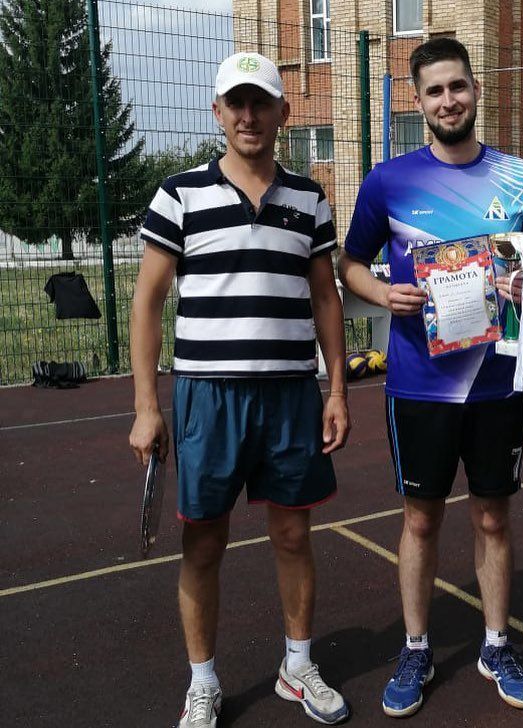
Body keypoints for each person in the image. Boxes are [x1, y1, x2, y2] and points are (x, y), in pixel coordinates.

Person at [338, 37, 523, 718]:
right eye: (434, 91)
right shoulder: (387, 181)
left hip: (497, 383)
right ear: (417, 101)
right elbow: (348, 264)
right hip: (418, 384)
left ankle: (496, 643)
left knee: (493, 516)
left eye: (457, 87)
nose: (447, 100)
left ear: (475, 89)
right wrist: (382, 296)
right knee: (420, 518)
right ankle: (415, 646)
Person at [128, 52, 350, 728]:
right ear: (217, 111)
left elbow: (325, 299)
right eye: (237, 103)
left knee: (293, 535)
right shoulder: (179, 193)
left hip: (289, 397)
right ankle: (202, 682)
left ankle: (298, 665)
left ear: (284, 113)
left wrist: (336, 389)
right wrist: (144, 405)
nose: (249, 115)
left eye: (262, 103)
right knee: (203, 545)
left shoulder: (309, 198)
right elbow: (147, 300)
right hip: (208, 398)